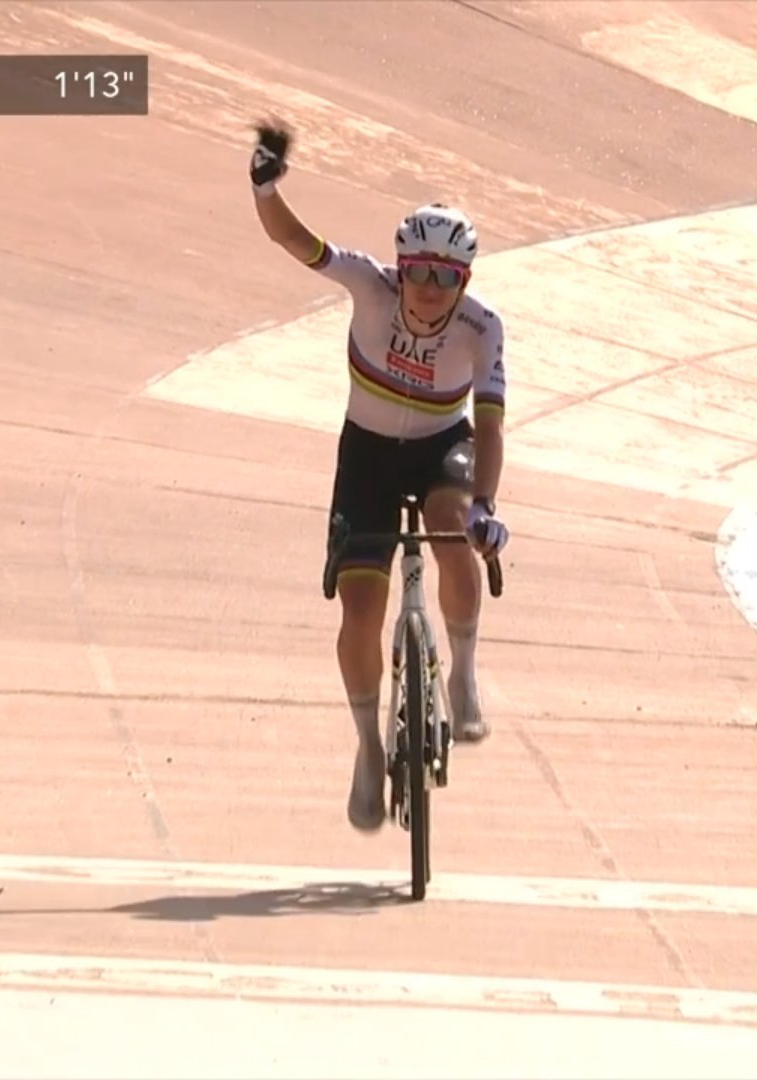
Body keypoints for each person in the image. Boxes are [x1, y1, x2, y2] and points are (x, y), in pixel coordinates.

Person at [247, 119, 512, 832]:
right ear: (400, 267)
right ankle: (369, 747)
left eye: (445, 277)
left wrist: (486, 505)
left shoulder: (482, 329)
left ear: (464, 281)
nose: (428, 289)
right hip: (366, 453)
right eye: (418, 272)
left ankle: (462, 671)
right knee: (361, 611)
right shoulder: (369, 285)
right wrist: (265, 186)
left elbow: (490, 425)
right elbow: (294, 240)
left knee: (453, 526)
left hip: (441, 449)